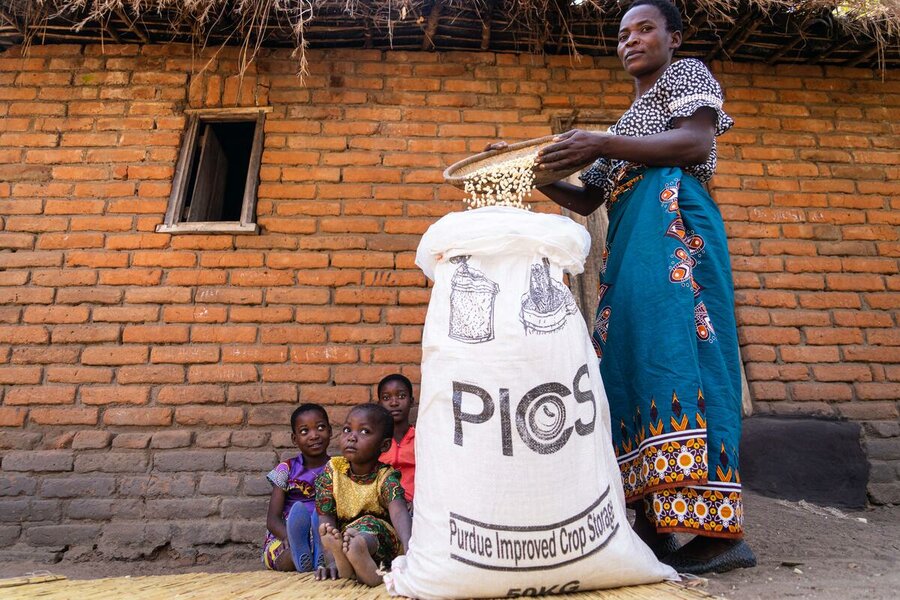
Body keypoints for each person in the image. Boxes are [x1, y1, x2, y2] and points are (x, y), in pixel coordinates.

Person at [497, 0, 755, 575]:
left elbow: (691, 144)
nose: (630, 40)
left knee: (689, 356)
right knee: (632, 362)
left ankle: (721, 533)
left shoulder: (687, 76)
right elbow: (587, 197)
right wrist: (522, 170)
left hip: (675, 231)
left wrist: (601, 143)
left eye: (645, 29)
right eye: (622, 34)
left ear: (673, 38)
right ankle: (655, 526)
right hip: (633, 245)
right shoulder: (623, 127)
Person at [314, 403, 412, 586]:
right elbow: (326, 519)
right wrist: (330, 562)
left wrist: (409, 550)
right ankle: (345, 564)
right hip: (345, 536)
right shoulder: (332, 470)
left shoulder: (385, 476)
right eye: (346, 429)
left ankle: (360, 555)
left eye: (364, 432)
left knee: (367, 527)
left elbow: (399, 511)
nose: (352, 437)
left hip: (382, 541)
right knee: (336, 535)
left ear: (384, 445)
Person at [263, 403, 332, 571]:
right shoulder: (286, 469)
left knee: (335, 543)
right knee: (280, 555)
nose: (314, 435)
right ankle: (300, 556)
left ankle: (319, 549)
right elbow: (272, 519)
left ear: (330, 431)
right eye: (304, 431)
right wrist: (289, 537)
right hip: (287, 532)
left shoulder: (338, 468)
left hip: (326, 528)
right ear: (294, 439)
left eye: (321, 427)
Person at [377, 374, 416, 507]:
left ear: (411, 401)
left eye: (401, 396)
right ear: (379, 404)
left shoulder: (421, 439)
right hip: (381, 506)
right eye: (387, 398)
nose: (394, 403)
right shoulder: (375, 441)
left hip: (417, 507)